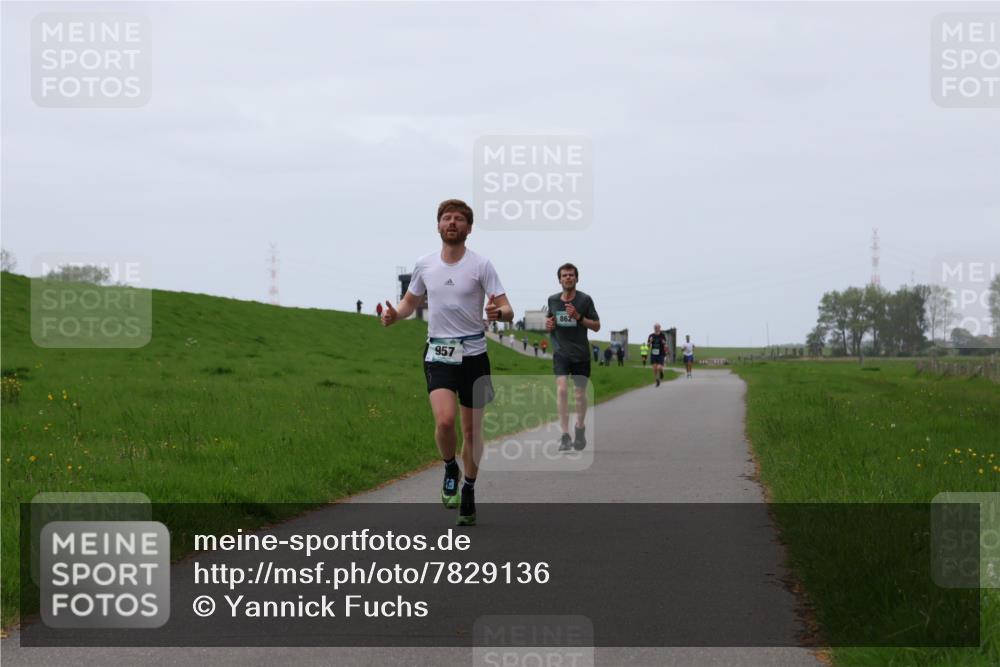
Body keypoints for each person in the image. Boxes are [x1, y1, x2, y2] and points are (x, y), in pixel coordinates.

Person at [382, 199, 513, 526]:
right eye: (446, 218)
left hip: (474, 355)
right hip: (438, 351)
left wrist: (500, 313)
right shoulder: (425, 264)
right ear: (438, 226)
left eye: (458, 219)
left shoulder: (482, 265)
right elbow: (409, 303)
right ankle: (450, 467)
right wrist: (393, 315)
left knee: (471, 431)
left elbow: (507, 308)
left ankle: (468, 488)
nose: (451, 223)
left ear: (469, 229)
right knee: (444, 421)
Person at [545, 263, 600, 451]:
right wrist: (549, 325)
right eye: (564, 275)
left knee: (579, 395)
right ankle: (565, 434)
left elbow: (596, 326)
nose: (568, 278)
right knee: (561, 390)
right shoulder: (552, 300)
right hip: (561, 353)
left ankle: (580, 428)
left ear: (577, 278)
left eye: (571, 275)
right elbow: (550, 320)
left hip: (580, 354)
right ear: (559, 279)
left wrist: (578, 317)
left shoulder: (585, 300)